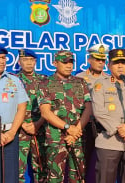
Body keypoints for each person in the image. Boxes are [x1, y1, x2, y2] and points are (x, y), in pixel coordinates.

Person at [91, 48, 125, 183]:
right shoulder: (100, 84)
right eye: (116, 63)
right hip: (109, 142)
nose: (120, 66)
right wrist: (119, 129)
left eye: (123, 62)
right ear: (109, 65)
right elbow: (99, 111)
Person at [37, 50, 92, 182]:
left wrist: (76, 131)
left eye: (71, 62)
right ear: (55, 63)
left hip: (77, 138)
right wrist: (68, 127)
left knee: (78, 177)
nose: (69, 65)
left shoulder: (81, 82)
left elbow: (88, 108)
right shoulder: (45, 83)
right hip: (55, 139)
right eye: (64, 62)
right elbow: (45, 112)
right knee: (55, 178)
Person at [0, 43, 29, 183]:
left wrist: (11, 133)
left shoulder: (14, 80)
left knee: (11, 178)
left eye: (4, 58)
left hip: (10, 136)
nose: (2, 61)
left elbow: (22, 108)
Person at [76, 43, 109, 182]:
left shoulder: (109, 79)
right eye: (97, 59)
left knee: (104, 163)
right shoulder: (79, 78)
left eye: (103, 60)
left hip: (104, 126)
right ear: (89, 60)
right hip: (86, 125)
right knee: (83, 161)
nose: (101, 63)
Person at [16, 49, 47, 183]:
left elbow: (51, 107)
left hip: (40, 128)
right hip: (19, 129)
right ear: (19, 62)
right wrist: (22, 123)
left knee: (41, 167)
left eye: (31, 60)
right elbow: (10, 106)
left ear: (35, 61)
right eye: (24, 60)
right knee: (17, 168)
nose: (28, 63)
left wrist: (38, 123)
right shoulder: (13, 80)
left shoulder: (45, 80)